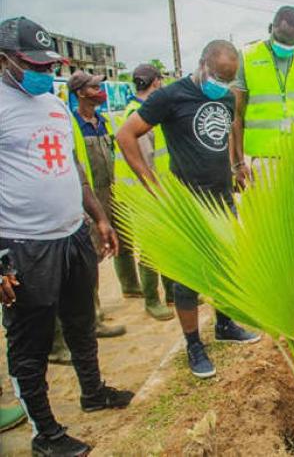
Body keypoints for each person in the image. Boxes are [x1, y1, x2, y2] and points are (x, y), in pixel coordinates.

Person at [0, 16, 133, 456]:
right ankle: (45, 433)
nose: (42, 72)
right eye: (31, 64)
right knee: (30, 341)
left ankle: (93, 393)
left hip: (73, 234)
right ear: (4, 60)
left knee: (81, 322)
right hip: (23, 244)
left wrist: (98, 218)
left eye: (47, 64)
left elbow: (72, 168)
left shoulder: (56, 106)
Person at [117, 40, 261, 379]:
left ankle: (225, 324)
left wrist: (237, 164)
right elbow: (126, 135)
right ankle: (193, 344)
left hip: (222, 195)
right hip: (188, 200)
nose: (221, 85)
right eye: (217, 77)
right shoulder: (171, 96)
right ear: (201, 65)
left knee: (226, 262)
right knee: (188, 279)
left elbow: (226, 133)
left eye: (228, 79)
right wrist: (151, 184)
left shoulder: (225, 96)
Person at [231, 6, 294, 188]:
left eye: (293, 42)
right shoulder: (248, 57)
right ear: (271, 28)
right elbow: (235, 112)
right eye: (282, 40)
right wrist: (237, 162)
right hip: (264, 159)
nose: (286, 46)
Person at [67, 71, 128, 338]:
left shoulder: (104, 122)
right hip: (88, 195)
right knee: (89, 258)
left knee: (124, 239)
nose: (99, 91)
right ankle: (94, 317)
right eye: (94, 87)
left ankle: (131, 285)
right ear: (80, 92)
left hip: (112, 190)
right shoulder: (72, 125)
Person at [111, 63, 174, 321]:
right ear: (156, 82)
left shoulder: (142, 110)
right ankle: (152, 299)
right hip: (145, 192)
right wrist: (155, 190)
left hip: (155, 190)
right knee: (151, 249)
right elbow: (145, 159)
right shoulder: (140, 114)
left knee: (169, 243)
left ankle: (173, 291)